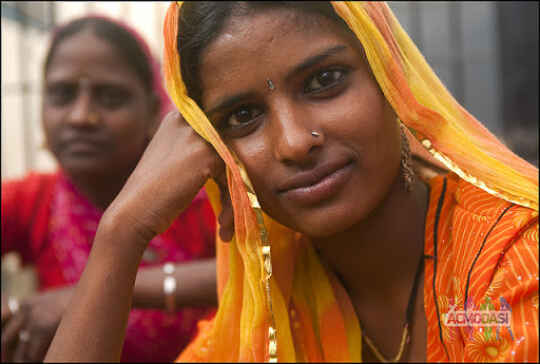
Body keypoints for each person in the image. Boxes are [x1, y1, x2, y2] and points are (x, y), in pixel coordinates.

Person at [45, 2, 538, 362]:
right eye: (242, 116)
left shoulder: (513, 263)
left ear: (392, 79)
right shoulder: (278, 304)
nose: (294, 142)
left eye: (324, 81)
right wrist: (121, 234)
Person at [1, 15, 218, 363]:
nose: (80, 116)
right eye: (62, 95)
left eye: (110, 97)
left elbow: (265, 268)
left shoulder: (202, 194)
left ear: (152, 111)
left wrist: (83, 297)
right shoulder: (35, 201)